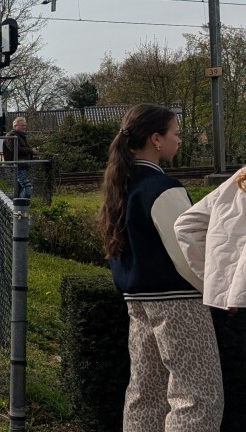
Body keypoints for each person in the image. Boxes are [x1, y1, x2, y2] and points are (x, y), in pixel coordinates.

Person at [96, 103, 223, 431]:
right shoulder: (162, 189)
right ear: (156, 139)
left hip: (138, 303)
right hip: (178, 303)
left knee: (145, 394)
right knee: (197, 397)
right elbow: (186, 254)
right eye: (175, 134)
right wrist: (217, 292)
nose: (178, 140)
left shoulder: (121, 186)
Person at [174, 166, 246, 431]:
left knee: (232, 392)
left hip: (227, 306)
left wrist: (214, 280)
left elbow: (185, 225)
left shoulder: (239, 179)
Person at [3, 117, 38, 199]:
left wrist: (32, 152)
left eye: (25, 125)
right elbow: (16, 150)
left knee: (19, 189)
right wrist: (31, 151)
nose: (24, 127)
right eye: (22, 125)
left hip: (23, 165)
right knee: (27, 187)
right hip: (17, 166)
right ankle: (21, 206)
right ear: (15, 126)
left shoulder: (21, 136)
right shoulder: (11, 136)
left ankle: (16, 207)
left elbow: (23, 150)